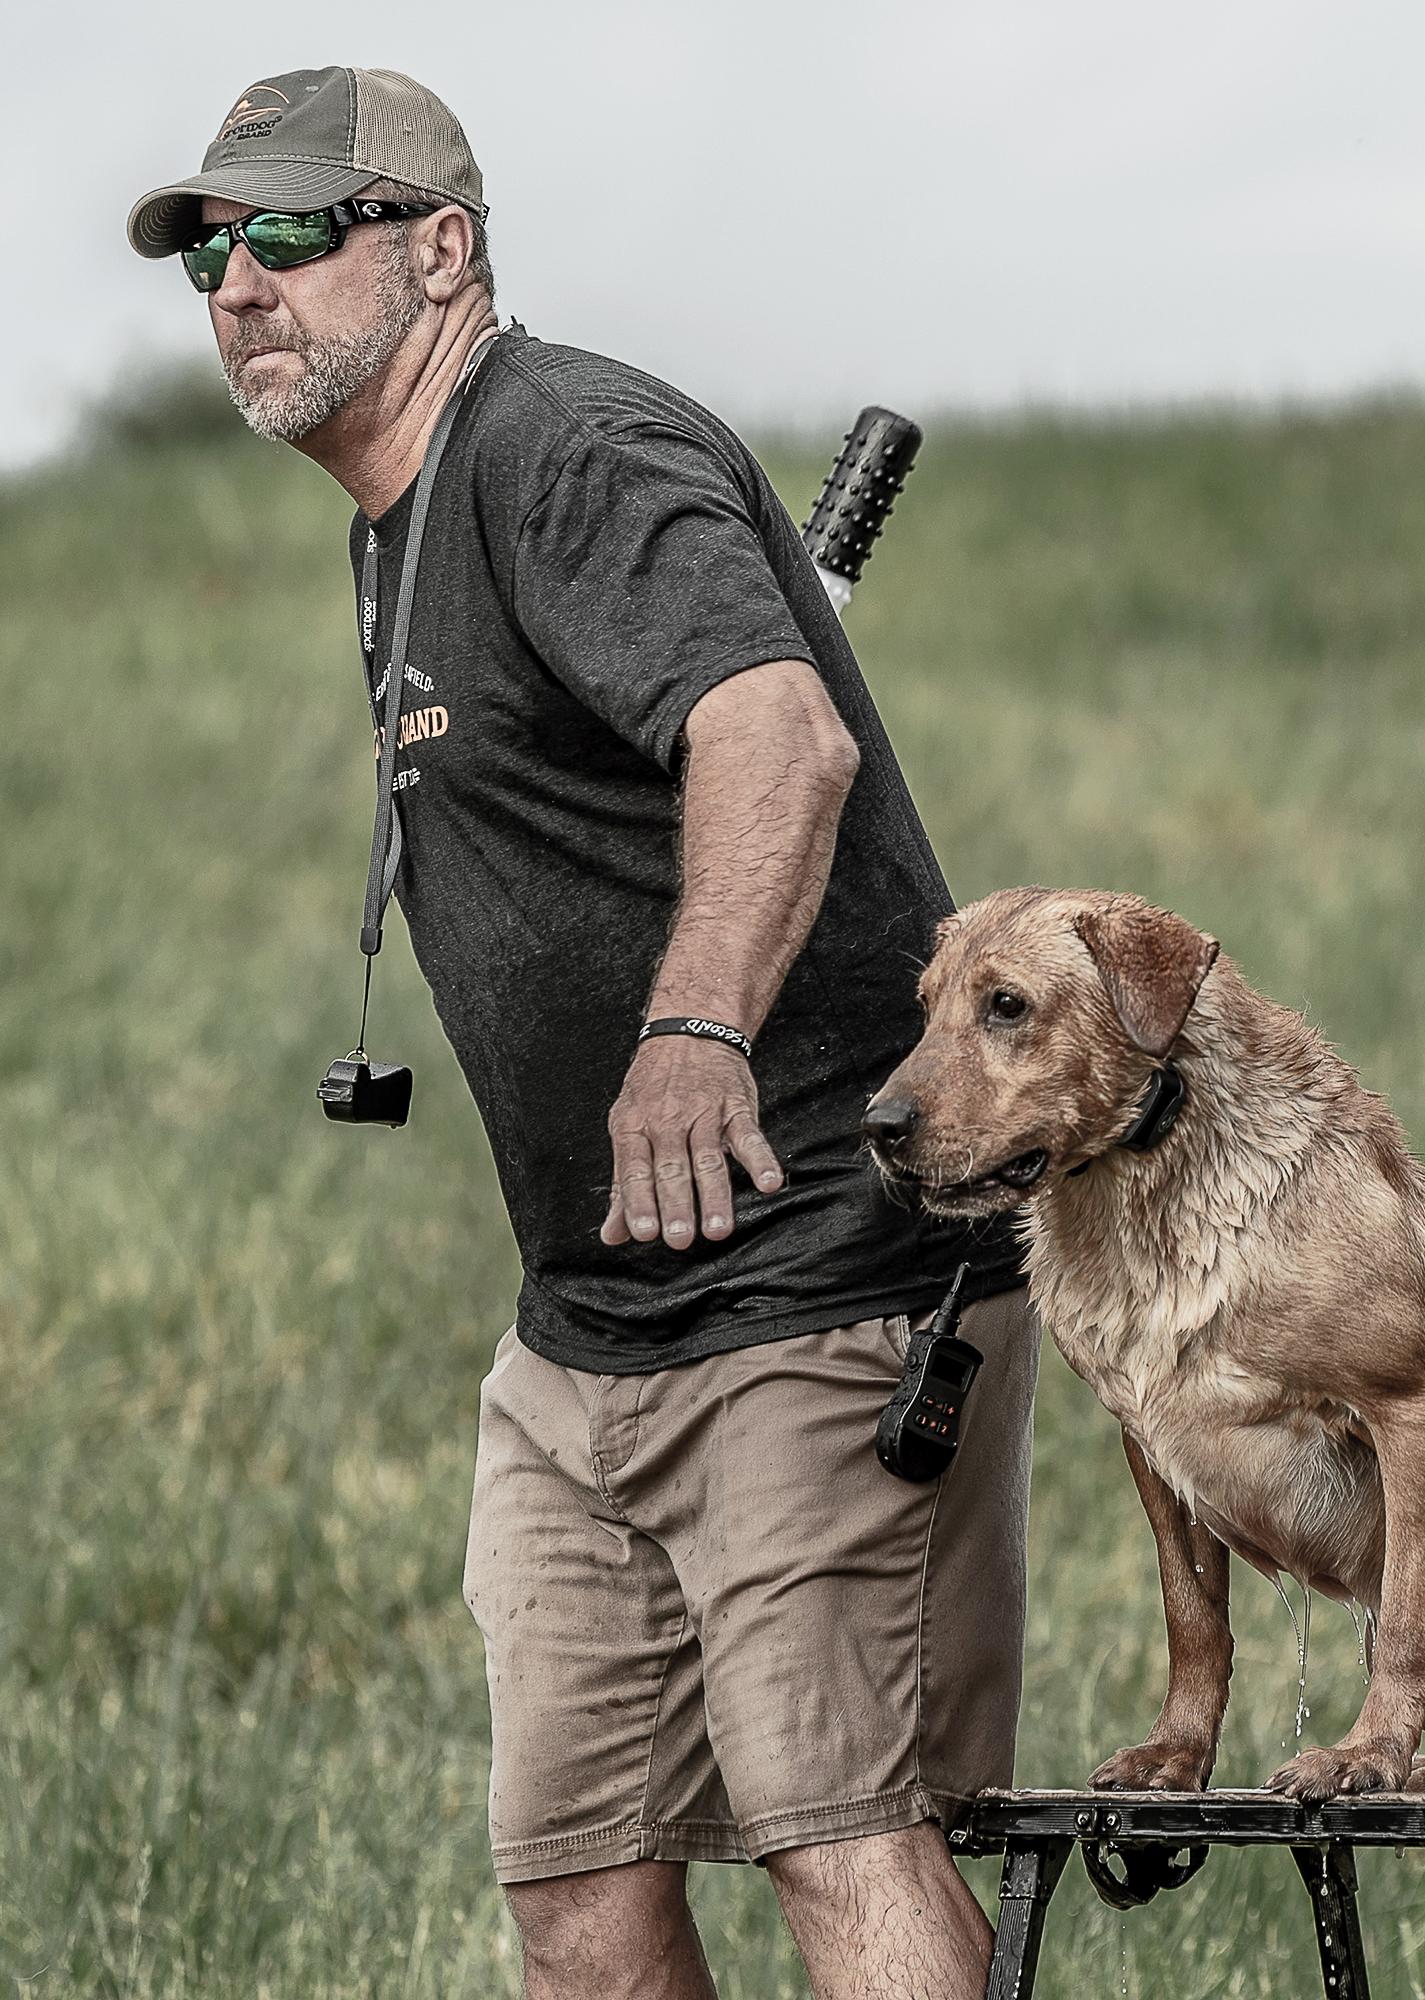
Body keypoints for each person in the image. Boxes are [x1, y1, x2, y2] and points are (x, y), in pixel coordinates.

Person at [127, 67, 1035, 2000]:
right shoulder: (400, 506)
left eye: (295, 232)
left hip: (817, 1286)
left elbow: (779, 733)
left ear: (441, 246)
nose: (240, 285)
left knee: (834, 1837)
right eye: (213, 249)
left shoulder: (566, 447)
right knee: (579, 1887)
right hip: (589, 1329)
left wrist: (694, 1025)